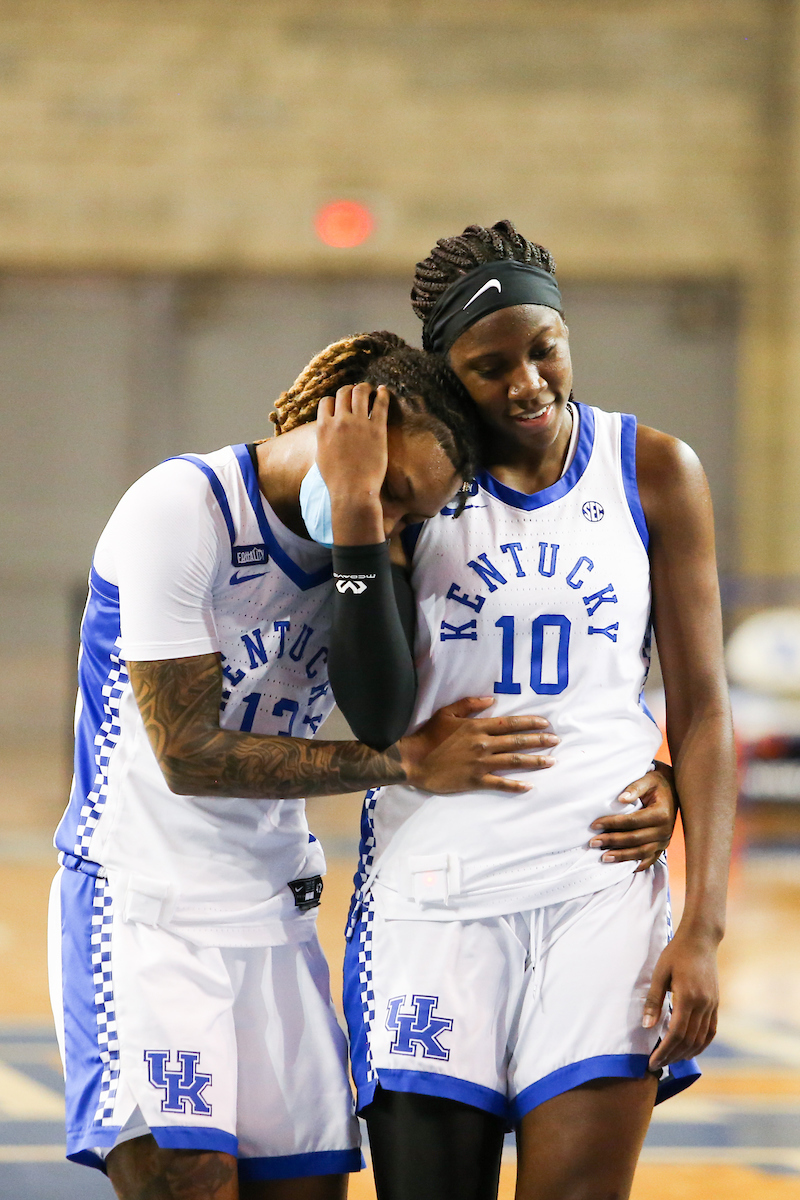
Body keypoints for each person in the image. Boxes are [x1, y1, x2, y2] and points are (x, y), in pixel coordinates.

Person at [49, 331, 571, 1200]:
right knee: (192, 1177)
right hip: (144, 909)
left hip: (274, 912)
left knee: (307, 1188)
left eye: (415, 515)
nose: (396, 522)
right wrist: (402, 763)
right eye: (395, 492)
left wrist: (373, 534)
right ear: (346, 422)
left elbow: (401, 698)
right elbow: (187, 755)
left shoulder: (365, 555)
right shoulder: (182, 506)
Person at [342, 224, 736, 1200]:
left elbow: (701, 712)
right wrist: (355, 521)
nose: (525, 381)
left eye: (542, 347)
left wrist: (702, 928)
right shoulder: (413, 482)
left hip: (595, 891)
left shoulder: (650, 470)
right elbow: (372, 710)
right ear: (443, 373)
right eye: (488, 366)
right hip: (433, 894)